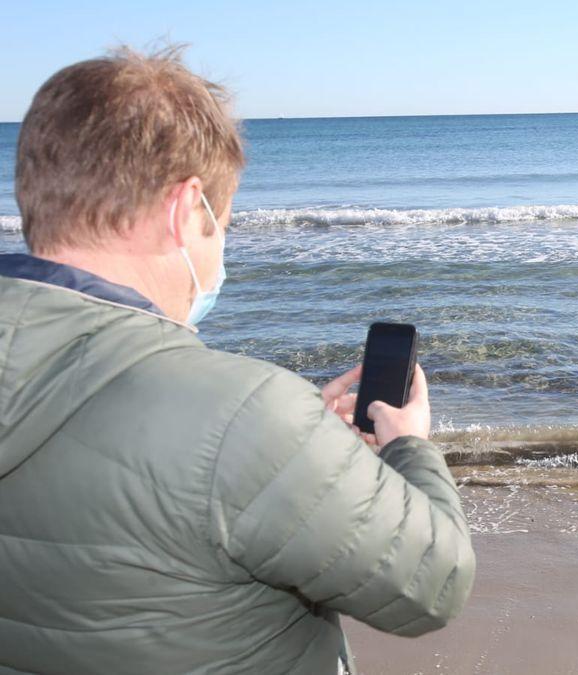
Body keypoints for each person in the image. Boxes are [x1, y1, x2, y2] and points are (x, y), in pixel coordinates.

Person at [0, 46, 474, 674]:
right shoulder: (245, 416)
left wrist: (299, 441)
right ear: (186, 209)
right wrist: (409, 447)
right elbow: (432, 585)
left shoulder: (250, 421)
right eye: (221, 223)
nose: (221, 244)